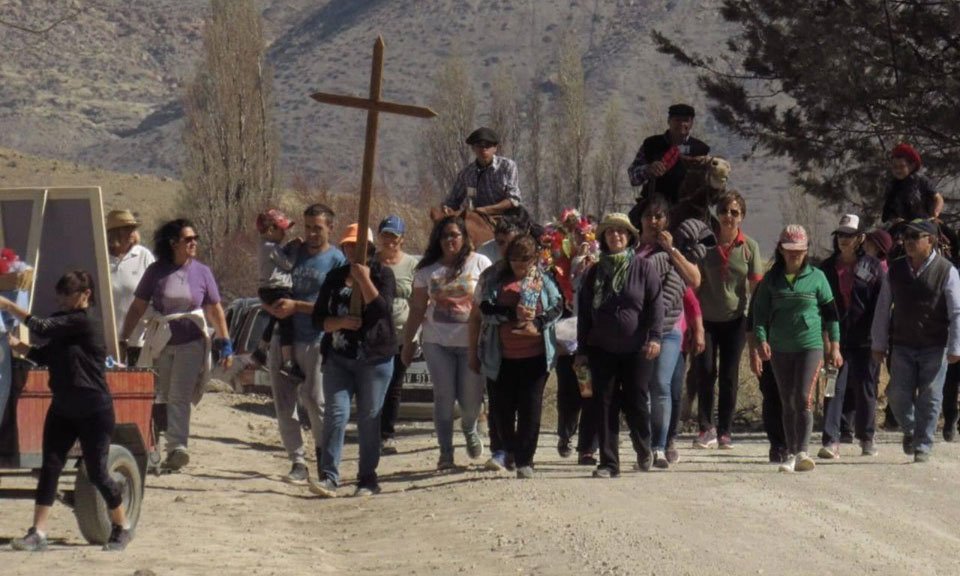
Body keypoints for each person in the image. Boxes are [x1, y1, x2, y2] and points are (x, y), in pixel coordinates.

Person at [3, 271, 133, 551]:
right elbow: (45, 354)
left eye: (67, 295)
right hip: (63, 407)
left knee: (97, 473)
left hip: (94, 409)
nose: (61, 300)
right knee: (50, 467)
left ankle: (122, 526)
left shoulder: (84, 322)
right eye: (59, 295)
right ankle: (38, 532)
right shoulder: (65, 326)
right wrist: (18, 346)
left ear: (86, 295)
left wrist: (9, 305)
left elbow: (42, 326)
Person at [119, 219, 232, 471]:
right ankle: (153, 447)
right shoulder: (156, 272)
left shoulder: (202, 272)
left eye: (195, 239)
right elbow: (138, 307)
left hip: (191, 342)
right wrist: (124, 337)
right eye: (188, 239)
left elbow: (215, 309)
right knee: (160, 395)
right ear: (173, 243)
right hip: (161, 341)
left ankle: (177, 447)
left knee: (180, 395)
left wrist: (225, 341)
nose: (194, 243)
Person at [307, 224, 396, 498]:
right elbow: (318, 318)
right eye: (348, 245)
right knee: (336, 414)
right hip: (339, 357)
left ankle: (367, 478)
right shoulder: (334, 277)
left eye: (358, 246)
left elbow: (382, 310)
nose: (352, 250)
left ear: (369, 248)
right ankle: (329, 476)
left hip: (374, 359)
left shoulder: (383, 274)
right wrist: (341, 322)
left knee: (369, 418)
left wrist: (364, 280)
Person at [264, 204, 347, 484]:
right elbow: (268, 279)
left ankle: (325, 459)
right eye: (308, 227)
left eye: (318, 228)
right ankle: (297, 461)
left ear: (330, 228)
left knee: (315, 401)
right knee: (284, 403)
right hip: (283, 336)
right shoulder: (293, 253)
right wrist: (271, 306)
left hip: (316, 338)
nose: (311, 233)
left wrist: (297, 306)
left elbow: (336, 307)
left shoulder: (336, 261)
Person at [576, 213, 663, 478]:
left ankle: (643, 446)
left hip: (637, 348)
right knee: (604, 404)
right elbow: (584, 314)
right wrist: (581, 350)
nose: (616, 235)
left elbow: (655, 305)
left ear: (630, 237)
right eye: (611, 231)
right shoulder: (594, 272)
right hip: (601, 348)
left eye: (621, 231)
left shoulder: (644, 268)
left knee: (636, 402)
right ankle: (609, 463)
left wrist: (655, 337)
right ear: (603, 238)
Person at [401, 216, 491, 469]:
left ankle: (469, 427)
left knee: (470, 400)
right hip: (436, 341)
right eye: (444, 236)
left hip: (472, 342)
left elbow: (488, 302)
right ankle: (446, 453)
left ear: (464, 237)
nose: (449, 240)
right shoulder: (427, 270)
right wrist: (408, 341)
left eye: (454, 235)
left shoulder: (480, 263)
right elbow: (417, 308)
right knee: (444, 396)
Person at [469, 235, 563, 479]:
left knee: (530, 409)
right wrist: (512, 313)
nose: (519, 265)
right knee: (502, 410)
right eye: (514, 259)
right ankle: (508, 449)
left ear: (534, 259)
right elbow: (485, 308)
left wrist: (538, 323)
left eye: (525, 260)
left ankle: (525, 460)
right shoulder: (494, 278)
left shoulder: (544, 278)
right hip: (501, 356)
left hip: (535, 356)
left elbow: (557, 306)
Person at [753, 225, 842, 473]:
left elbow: (831, 315)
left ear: (806, 251)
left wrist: (835, 346)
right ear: (781, 250)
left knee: (803, 398)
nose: (794, 255)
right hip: (780, 348)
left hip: (810, 346)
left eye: (799, 250)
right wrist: (761, 340)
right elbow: (759, 315)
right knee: (787, 400)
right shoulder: (771, 280)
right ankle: (791, 453)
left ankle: (803, 451)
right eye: (790, 250)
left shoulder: (818, 277)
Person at [871, 218, 960, 462]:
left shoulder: (947, 271)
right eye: (906, 237)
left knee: (930, 396)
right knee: (897, 395)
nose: (908, 242)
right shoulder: (895, 270)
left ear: (930, 240)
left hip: (935, 345)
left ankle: (923, 445)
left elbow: (956, 311)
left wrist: (955, 346)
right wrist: (878, 343)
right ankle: (911, 430)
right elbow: (882, 308)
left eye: (914, 237)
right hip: (902, 344)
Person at [632, 195, 699, 468]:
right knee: (642, 389)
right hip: (639, 330)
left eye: (659, 216)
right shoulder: (633, 252)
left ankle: (659, 446)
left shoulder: (675, 253)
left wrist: (672, 251)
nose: (653, 221)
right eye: (648, 216)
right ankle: (644, 446)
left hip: (670, 328)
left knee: (661, 385)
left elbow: (694, 281)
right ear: (640, 220)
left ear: (667, 221)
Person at [692, 191, 763, 449]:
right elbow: (694, 283)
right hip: (706, 321)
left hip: (735, 321)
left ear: (742, 216)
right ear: (717, 214)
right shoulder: (705, 245)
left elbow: (756, 289)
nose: (728, 216)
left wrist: (756, 326)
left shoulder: (750, 247)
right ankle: (705, 427)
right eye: (724, 211)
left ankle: (725, 430)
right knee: (705, 371)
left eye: (734, 212)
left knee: (729, 376)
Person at [817, 214, 885, 458]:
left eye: (849, 235)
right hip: (836, 339)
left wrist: (880, 338)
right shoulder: (826, 268)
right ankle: (830, 439)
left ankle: (866, 436)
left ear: (860, 238)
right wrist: (825, 338)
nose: (844, 239)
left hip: (865, 339)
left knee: (866, 388)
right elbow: (820, 305)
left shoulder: (873, 267)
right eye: (840, 235)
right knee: (833, 387)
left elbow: (880, 305)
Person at [376, 215, 420, 455]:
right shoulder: (372, 262)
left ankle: (387, 434)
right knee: (375, 383)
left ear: (402, 238)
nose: (389, 240)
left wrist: (416, 333)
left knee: (394, 384)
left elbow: (419, 301)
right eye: (385, 235)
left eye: (394, 236)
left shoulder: (412, 265)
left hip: (402, 333)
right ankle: (370, 430)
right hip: (375, 333)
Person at [627, 103, 711, 206]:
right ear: (668, 121)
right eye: (677, 120)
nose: (681, 124)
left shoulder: (701, 149)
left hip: (688, 206)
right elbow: (633, 177)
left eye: (686, 120)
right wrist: (648, 169)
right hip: (654, 204)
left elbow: (709, 183)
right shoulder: (651, 144)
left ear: (692, 123)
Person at [251, 209, 301, 377]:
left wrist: (288, 246)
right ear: (271, 230)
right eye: (282, 230)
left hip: (267, 290)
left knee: (275, 318)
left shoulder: (266, 247)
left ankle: (261, 349)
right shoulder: (270, 247)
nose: (284, 234)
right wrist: (295, 248)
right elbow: (288, 264)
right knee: (287, 323)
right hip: (277, 289)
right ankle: (287, 361)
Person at [106, 209, 155, 366]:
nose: (131, 233)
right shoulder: (101, 257)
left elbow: (155, 293)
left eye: (133, 228)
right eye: (126, 229)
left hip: (137, 340)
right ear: (114, 233)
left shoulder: (143, 256)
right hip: (107, 341)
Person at [442, 127, 521, 217]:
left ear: (495, 148)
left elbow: (514, 199)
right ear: (473, 148)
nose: (484, 149)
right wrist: (446, 208)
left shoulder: (507, 166)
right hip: (477, 218)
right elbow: (452, 201)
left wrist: (487, 210)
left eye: (488, 145)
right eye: (479, 145)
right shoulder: (466, 174)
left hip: (507, 217)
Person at [881, 143, 943, 224]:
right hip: (902, 225)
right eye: (895, 167)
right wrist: (894, 220)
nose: (898, 170)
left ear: (912, 166)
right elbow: (889, 211)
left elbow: (938, 198)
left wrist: (935, 214)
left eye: (902, 166)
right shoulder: (891, 186)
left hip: (925, 223)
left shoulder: (921, 180)